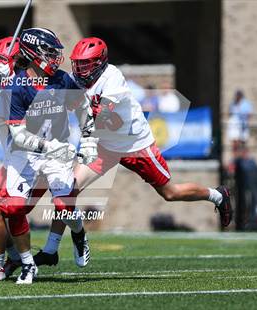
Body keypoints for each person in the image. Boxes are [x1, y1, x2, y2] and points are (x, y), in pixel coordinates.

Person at [34, 37, 233, 267]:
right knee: (66, 191)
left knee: (170, 193)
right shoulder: (78, 80)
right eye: (77, 64)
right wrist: (21, 68)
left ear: (99, 63)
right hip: (105, 147)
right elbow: (46, 81)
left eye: (85, 65)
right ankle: (52, 249)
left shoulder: (112, 77)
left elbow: (105, 115)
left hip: (135, 145)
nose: (79, 70)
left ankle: (218, 195)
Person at [0, 28, 92, 284]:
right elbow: (7, 129)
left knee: (63, 207)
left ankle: (79, 232)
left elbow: (83, 106)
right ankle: (25, 263)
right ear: (32, 53)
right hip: (27, 153)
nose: (54, 57)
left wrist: (89, 139)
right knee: (9, 209)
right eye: (49, 52)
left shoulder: (61, 80)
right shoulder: (15, 85)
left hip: (56, 153)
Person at [227, 90, 253, 158]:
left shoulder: (246, 104)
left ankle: (244, 158)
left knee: (243, 143)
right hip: (235, 125)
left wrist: (246, 122)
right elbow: (230, 113)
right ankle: (236, 158)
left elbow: (249, 115)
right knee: (235, 143)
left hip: (243, 124)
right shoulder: (233, 103)